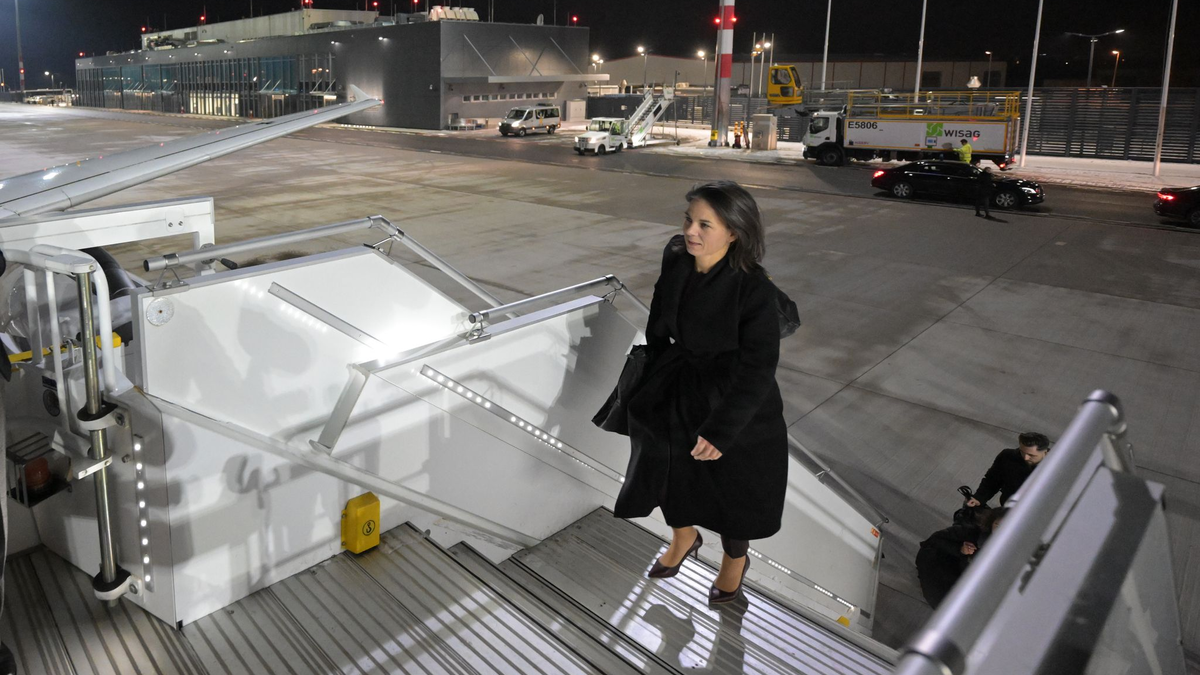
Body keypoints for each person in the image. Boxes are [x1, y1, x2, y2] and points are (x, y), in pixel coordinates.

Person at [614, 180, 787, 605]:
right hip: (680, 382)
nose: (691, 231)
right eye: (689, 220)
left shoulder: (755, 290)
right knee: (667, 471)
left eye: (705, 225)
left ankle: (734, 561)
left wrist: (722, 430)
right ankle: (684, 536)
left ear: (735, 233)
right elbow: (659, 316)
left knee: (734, 491)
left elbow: (759, 367)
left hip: (733, 400)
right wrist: (654, 369)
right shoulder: (677, 259)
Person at [916, 507, 1008, 608]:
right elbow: (935, 540)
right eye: (998, 525)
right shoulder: (972, 532)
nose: (1001, 531)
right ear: (991, 523)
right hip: (942, 564)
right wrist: (960, 550)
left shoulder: (1007, 550)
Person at [966, 432, 1051, 508]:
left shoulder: (1053, 469)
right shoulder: (1008, 457)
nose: (1025, 457)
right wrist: (979, 498)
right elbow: (992, 480)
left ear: (1045, 452)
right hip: (1009, 507)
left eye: (1031, 455)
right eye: (1022, 452)